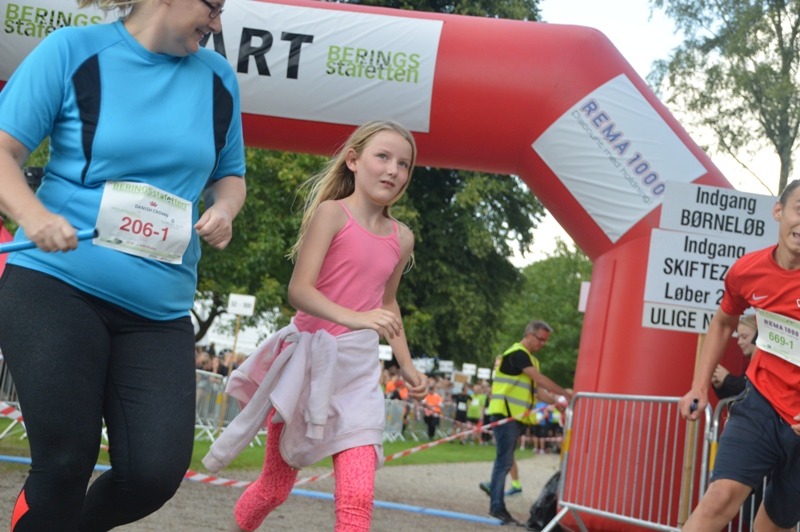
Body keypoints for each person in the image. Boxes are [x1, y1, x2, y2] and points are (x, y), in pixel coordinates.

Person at [0, 0, 246, 529]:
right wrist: (33, 215)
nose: (218, 22)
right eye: (213, 6)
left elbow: (230, 174)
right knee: (65, 460)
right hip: (57, 284)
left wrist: (225, 210)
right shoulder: (72, 51)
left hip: (159, 311)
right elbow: (3, 151)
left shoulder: (218, 78)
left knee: (153, 475)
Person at [202, 120, 427, 532]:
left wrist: (407, 366)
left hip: (358, 375)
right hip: (305, 366)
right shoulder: (331, 214)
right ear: (353, 160)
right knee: (274, 488)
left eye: (404, 164)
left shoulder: (403, 238)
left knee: (357, 498)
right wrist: (356, 319)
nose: (393, 170)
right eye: (383, 157)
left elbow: (387, 304)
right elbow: (299, 290)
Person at [680, 180, 800, 531]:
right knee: (719, 498)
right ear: (778, 211)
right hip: (761, 403)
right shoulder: (747, 271)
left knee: (773, 526)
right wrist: (699, 386)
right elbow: (722, 322)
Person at [484, 320, 572, 525]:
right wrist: (565, 394)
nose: (543, 343)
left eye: (545, 340)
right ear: (529, 335)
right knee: (504, 461)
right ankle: (496, 507)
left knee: (505, 460)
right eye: (540, 339)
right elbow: (539, 380)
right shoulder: (518, 353)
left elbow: (538, 392)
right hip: (505, 414)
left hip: (514, 416)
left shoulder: (531, 360)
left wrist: (556, 402)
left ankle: (497, 504)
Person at [711, 314, 757, 400]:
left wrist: (726, 378)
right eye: (738, 337)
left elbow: (750, 390)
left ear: (758, 337)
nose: (739, 342)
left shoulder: (767, 366)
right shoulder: (751, 367)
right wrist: (720, 386)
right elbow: (737, 397)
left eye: (744, 337)